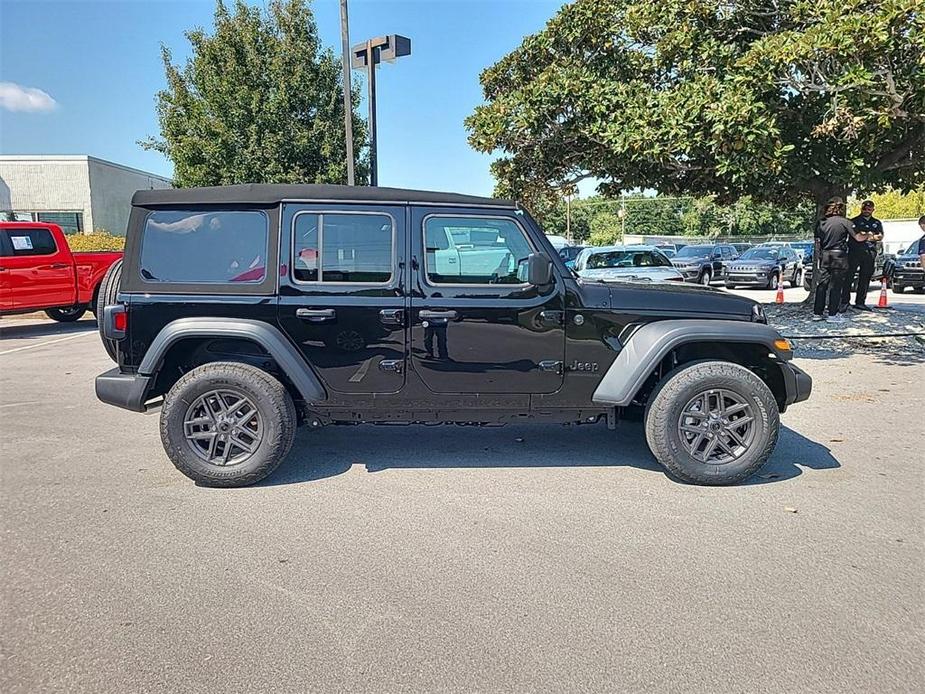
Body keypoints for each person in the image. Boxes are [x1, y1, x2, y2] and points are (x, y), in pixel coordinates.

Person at [813, 197, 852, 323]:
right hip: (839, 256)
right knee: (836, 286)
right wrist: (869, 235)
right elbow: (857, 237)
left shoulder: (821, 223)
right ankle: (832, 314)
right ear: (840, 209)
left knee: (822, 285)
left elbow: (817, 242)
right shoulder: (845, 222)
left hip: (825, 255)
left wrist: (819, 256)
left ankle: (817, 313)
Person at [842, 200, 883, 311]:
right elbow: (856, 236)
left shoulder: (877, 223)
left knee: (865, 278)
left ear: (873, 210)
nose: (866, 211)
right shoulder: (853, 221)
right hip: (854, 252)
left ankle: (860, 302)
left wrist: (867, 236)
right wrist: (869, 235)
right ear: (861, 209)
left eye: (869, 209)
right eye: (864, 208)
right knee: (849, 277)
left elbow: (880, 236)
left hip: (869, 252)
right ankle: (845, 301)